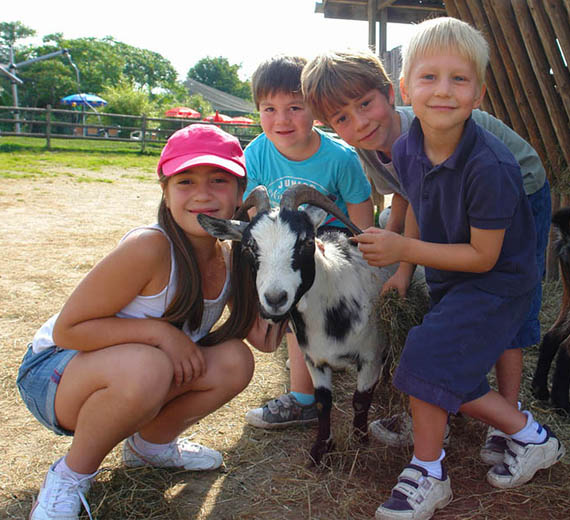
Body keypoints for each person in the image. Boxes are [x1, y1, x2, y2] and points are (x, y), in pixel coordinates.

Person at [345, 17, 563, 519]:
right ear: (406, 88)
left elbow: (485, 257)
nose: (443, 91)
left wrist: (404, 250)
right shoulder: (405, 147)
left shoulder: (492, 168)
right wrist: (406, 249)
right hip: (455, 279)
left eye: (458, 79)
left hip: (498, 284)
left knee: (424, 358)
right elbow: (417, 201)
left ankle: (428, 470)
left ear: (479, 93)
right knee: (444, 365)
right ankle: (530, 436)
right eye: (429, 78)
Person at [301, 46, 551, 463]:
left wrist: (405, 250)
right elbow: (407, 192)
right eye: (342, 118)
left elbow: (455, 223)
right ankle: (448, 399)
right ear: (330, 126)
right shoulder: (369, 143)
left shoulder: (422, 123)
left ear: (389, 92)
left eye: (365, 104)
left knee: (510, 300)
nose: (360, 122)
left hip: (519, 188)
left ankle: (507, 418)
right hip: (457, 195)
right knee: (455, 286)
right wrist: (402, 262)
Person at [17, 124, 276, 520]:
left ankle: (150, 448)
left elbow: (265, 340)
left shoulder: (231, 254)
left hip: (130, 373)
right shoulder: (151, 247)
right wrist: (161, 335)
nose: (203, 194)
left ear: (241, 194)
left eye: (219, 180)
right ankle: (69, 476)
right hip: (53, 374)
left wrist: (281, 261)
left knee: (235, 361)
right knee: (149, 364)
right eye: (185, 181)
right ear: (166, 192)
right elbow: (69, 329)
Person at [242, 55, 374, 429]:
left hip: (334, 254)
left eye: (294, 107)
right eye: (269, 108)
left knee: (308, 303)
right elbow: (257, 222)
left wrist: (355, 253)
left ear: (315, 109)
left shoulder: (340, 158)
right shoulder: (256, 154)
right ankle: (305, 394)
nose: (281, 120)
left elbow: (361, 221)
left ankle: (313, 388)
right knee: (291, 302)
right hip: (285, 254)